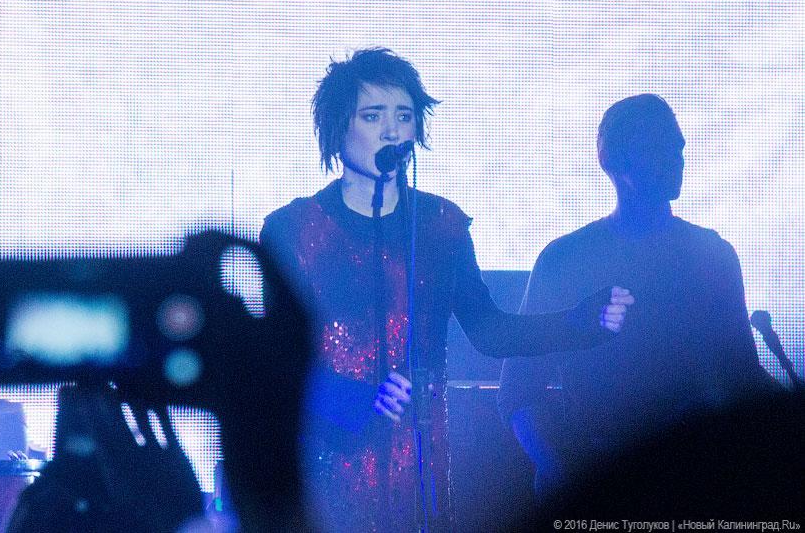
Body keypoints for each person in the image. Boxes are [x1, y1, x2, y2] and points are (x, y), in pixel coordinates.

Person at [259, 48, 633, 532]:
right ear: (338, 127)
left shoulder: (440, 226)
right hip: (326, 465)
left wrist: (577, 324)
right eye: (372, 116)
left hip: (418, 469)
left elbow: (489, 331)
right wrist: (351, 399)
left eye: (404, 116)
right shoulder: (296, 230)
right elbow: (269, 360)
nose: (392, 131)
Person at [497, 94, 775, 501]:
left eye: (678, 147)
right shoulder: (565, 261)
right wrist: (557, 468)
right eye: (661, 147)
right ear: (614, 160)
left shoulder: (713, 256)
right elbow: (519, 391)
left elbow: (741, 378)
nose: (677, 159)